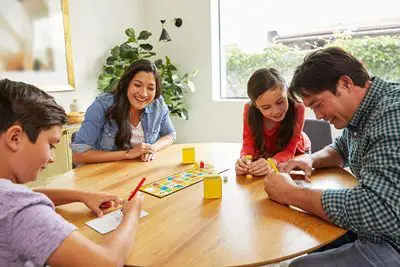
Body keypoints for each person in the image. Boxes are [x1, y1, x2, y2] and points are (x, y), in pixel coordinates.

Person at [263, 47, 400, 266]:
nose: (318, 116)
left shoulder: (392, 115)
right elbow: (341, 147)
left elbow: (379, 209)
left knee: (301, 265)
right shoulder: (364, 110)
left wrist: (291, 194)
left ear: (345, 83)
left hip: (393, 238)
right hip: (385, 227)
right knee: (315, 235)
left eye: (318, 105)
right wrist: (309, 159)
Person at [0, 79, 143, 266]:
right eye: (51, 145)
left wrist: (80, 195)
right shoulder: (19, 210)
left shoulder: (8, 200)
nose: (52, 158)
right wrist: (132, 214)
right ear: (15, 137)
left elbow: (21, 197)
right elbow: (107, 262)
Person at [71, 59, 176, 164]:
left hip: (139, 171)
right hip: (104, 173)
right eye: (137, 85)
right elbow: (78, 155)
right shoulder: (102, 105)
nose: (144, 94)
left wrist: (152, 148)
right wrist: (127, 154)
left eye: (150, 88)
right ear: (127, 84)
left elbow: (170, 135)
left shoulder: (158, 105)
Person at [235, 68, 310, 177]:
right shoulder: (249, 110)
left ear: (287, 91)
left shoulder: (298, 108)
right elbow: (248, 145)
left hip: (297, 152)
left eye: (280, 102)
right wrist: (244, 160)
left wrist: (271, 163)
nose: (276, 111)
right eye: (266, 107)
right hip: (266, 153)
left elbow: (289, 150)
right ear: (256, 106)